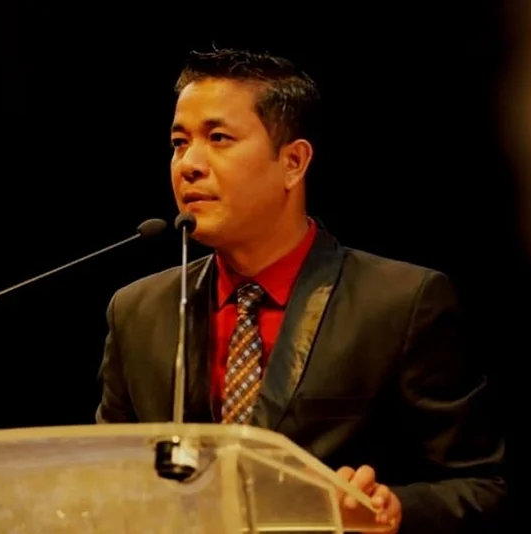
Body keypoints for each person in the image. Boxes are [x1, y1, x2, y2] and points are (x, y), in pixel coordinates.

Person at [95, 48, 506, 534]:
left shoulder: (401, 302)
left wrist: (393, 509)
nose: (189, 164)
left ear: (293, 162)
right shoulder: (138, 312)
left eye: (218, 138)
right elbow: (105, 484)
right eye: (179, 142)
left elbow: (483, 487)